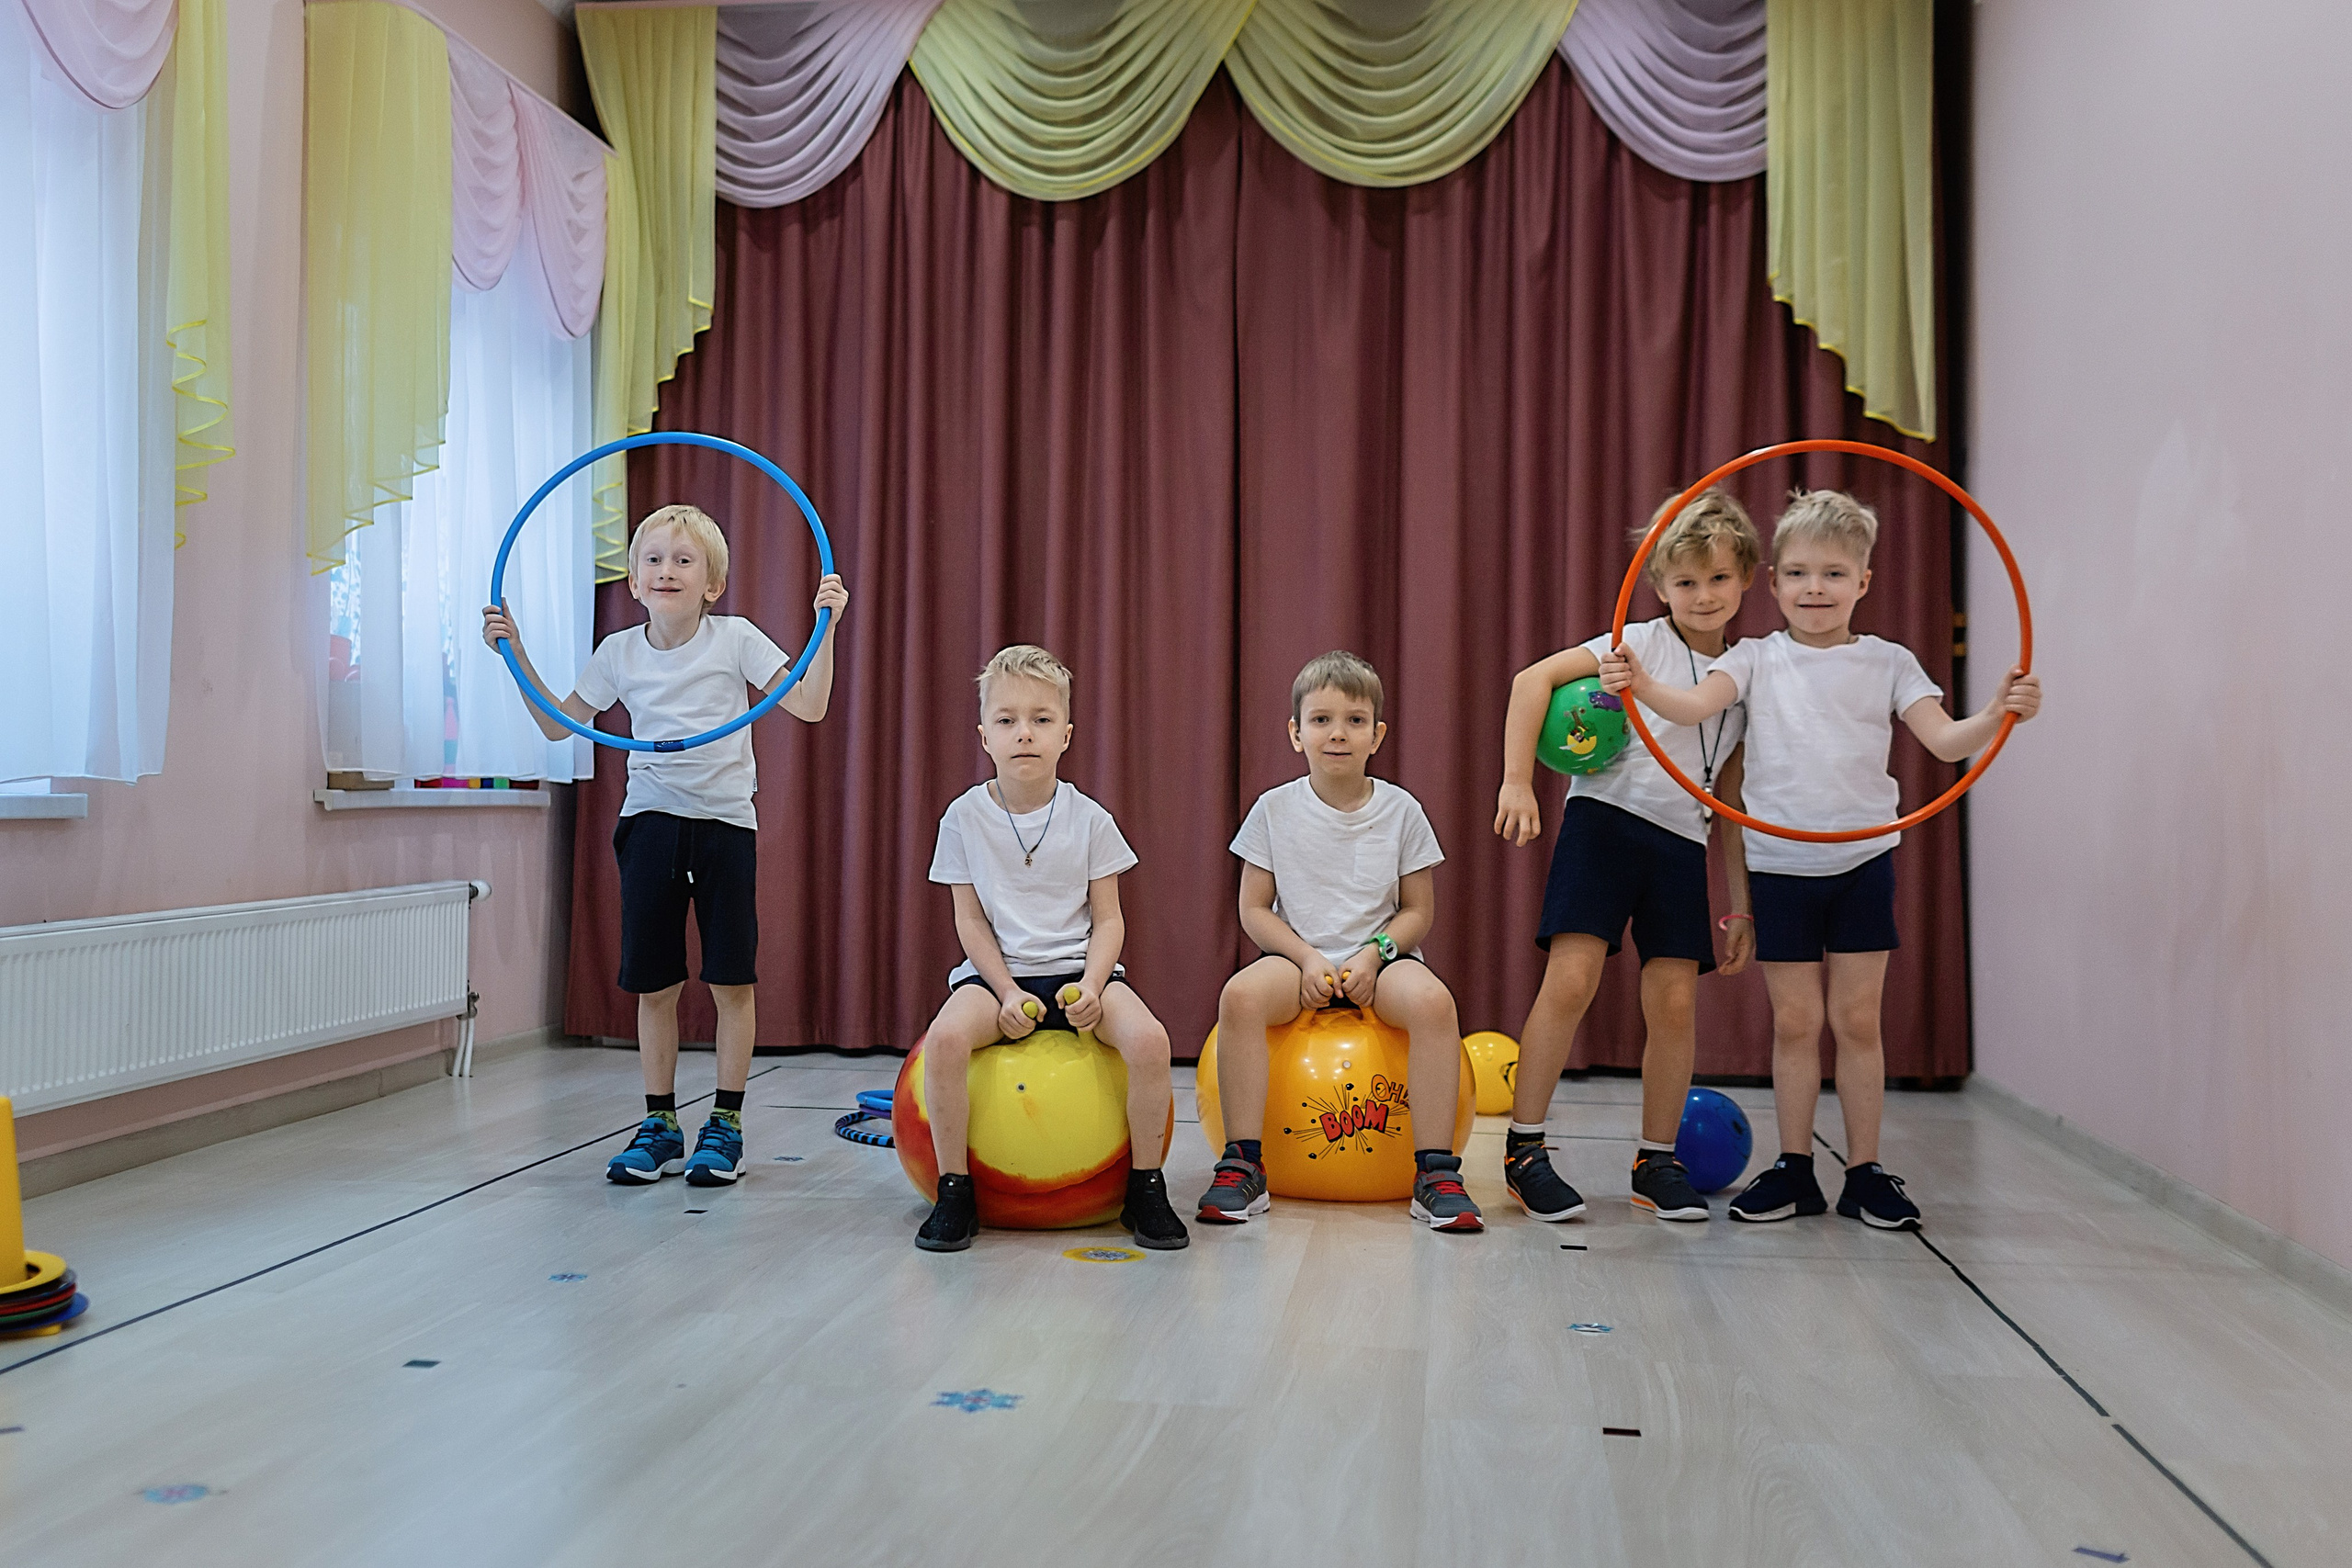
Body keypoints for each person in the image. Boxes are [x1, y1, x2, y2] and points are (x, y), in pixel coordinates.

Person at [1601, 489, 2041, 1229]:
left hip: (1862, 858)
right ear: (1771, 583)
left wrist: (1999, 711)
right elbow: (1693, 706)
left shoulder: (1890, 662)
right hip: (1780, 864)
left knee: (1858, 1021)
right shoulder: (1753, 658)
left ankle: (1865, 1171)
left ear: (1864, 582)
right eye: (1799, 573)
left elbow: (1943, 742)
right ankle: (1796, 1168)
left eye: (1835, 574)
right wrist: (1639, 683)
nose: (1815, 589)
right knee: (1797, 1023)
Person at [482, 503, 848, 1188]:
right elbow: (562, 726)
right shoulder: (619, 651)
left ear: (712, 582)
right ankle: (659, 1124)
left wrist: (825, 626)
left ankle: (727, 1125)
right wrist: (516, 653)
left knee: (731, 978)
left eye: (684, 560)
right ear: (634, 579)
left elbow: (809, 704)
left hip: (724, 825)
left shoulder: (735, 638)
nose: (666, 569)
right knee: (656, 982)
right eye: (653, 558)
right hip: (650, 820)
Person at [1493, 491, 1758, 1224]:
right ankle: (1523, 1150)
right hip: (1605, 822)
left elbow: (1730, 803)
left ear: (1746, 581)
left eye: (1718, 579)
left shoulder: (1745, 678)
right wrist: (1519, 780)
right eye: (1685, 581)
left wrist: (1739, 901)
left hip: (1681, 843)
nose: (1702, 596)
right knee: (1571, 980)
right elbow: (1529, 682)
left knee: (1675, 1002)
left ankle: (1656, 1160)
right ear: (1659, 584)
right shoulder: (1635, 643)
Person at [914, 645, 1187, 1253]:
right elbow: (970, 919)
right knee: (948, 1039)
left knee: (1149, 1040)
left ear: (1065, 734)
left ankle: (1146, 1185)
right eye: (1007, 720)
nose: (1024, 734)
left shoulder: (1090, 819)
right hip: (998, 978)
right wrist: (1006, 991)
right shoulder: (962, 817)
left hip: (1080, 972)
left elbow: (1110, 919)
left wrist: (1092, 986)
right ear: (984, 735)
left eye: (1041, 719)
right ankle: (954, 1188)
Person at [1198, 651, 1481, 1233]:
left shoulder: (1402, 810)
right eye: (1321, 719)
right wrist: (1303, 956)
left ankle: (1435, 1174)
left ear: (1377, 735)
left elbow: (1418, 910)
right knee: (1240, 999)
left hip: (1381, 959)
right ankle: (1242, 1165)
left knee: (1434, 1004)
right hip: (1295, 958)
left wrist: (1375, 955)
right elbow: (1253, 909)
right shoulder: (1273, 809)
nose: (1337, 733)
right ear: (1295, 733)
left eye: (1354, 721)